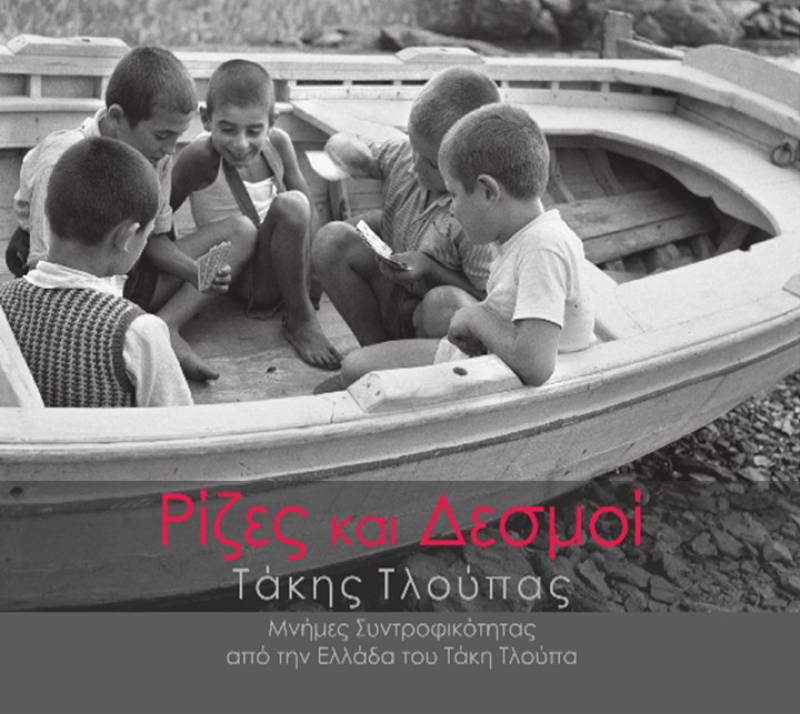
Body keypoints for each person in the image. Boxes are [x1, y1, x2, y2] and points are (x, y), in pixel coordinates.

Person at [12, 46, 255, 382]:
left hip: (128, 269)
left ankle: (167, 325)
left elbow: (154, 240)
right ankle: (144, 329)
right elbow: (44, 269)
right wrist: (116, 319)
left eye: (176, 137)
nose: (170, 150)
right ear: (116, 119)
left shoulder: (157, 156)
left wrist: (195, 272)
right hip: (63, 286)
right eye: (162, 136)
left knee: (243, 230)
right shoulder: (62, 162)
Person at [340, 103, 596, 388]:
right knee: (353, 369)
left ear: (488, 191)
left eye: (454, 195)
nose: (452, 210)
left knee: (354, 371)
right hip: (493, 359)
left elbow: (535, 365)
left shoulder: (542, 246)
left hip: (508, 376)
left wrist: (476, 318)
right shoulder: (520, 238)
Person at [311, 66, 501, 347]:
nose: (414, 167)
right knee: (331, 240)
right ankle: (376, 350)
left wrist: (430, 268)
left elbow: (489, 306)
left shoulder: (477, 218)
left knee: (444, 303)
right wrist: (350, 152)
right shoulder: (403, 155)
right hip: (392, 294)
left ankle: (410, 364)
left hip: (434, 327)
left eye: (432, 164)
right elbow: (340, 142)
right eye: (413, 148)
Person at [171, 59, 340, 370]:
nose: (240, 143)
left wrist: (314, 277)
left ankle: (301, 303)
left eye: (253, 131)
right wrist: (182, 275)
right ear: (206, 120)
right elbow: (162, 214)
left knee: (310, 212)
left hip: (289, 271)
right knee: (290, 205)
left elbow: (310, 212)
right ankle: (301, 320)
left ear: (272, 122)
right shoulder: (200, 157)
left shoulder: (279, 144)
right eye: (227, 129)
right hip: (244, 282)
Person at [0, 137, 193, 407]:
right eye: (147, 234)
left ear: (48, 213)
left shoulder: (4, 301)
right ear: (126, 236)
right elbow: (179, 422)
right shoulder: (138, 332)